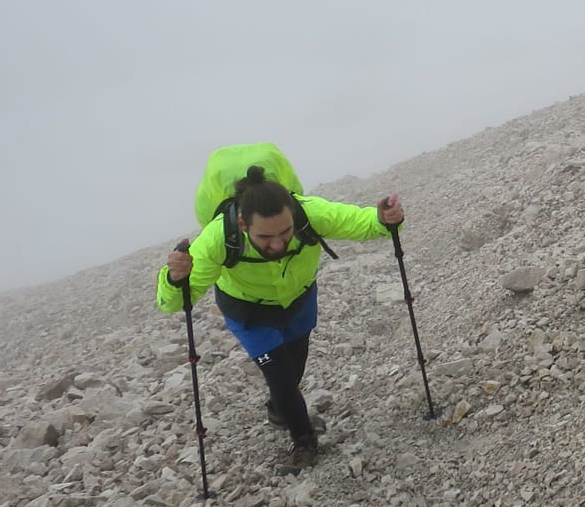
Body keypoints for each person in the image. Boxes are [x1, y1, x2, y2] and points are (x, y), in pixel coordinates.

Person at [156, 167, 405, 468]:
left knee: (295, 364)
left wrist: (384, 219)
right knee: (282, 378)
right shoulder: (216, 240)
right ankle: (304, 440)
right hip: (249, 313)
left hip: (298, 303)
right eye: (265, 236)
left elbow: (357, 221)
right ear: (242, 224)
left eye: (285, 232)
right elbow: (177, 300)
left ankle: (278, 410)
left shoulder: (308, 213)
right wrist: (174, 278)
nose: (277, 244)